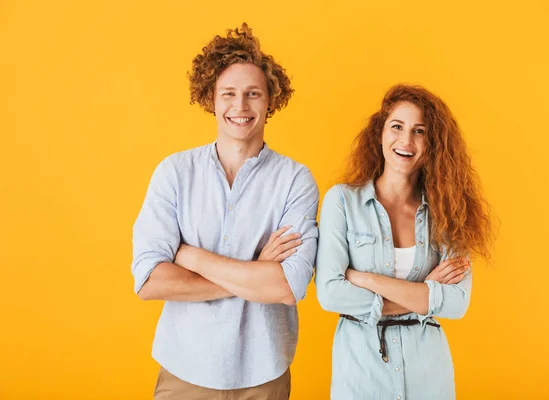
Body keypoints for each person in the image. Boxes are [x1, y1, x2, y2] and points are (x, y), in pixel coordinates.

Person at [131, 23, 318, 399]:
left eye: (253, 94)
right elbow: (149, 280)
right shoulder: (174, 172)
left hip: (263, 374)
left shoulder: (296, 180)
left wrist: (191, 256)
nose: (240, 106)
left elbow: (286, 286)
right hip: (184, 370)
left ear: (270, 101)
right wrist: (253, 273)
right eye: (228, 93)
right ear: (211, 99)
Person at [315, 84, 494, 399]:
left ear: (433, 144)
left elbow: (456, 303)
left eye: (419, 131)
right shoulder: (342, 201)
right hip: (360, 375)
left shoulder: (447, 211)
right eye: (397, 126)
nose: (406, 140)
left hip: (429, 375)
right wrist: (424, 294)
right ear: (380, 133)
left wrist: (364, 279)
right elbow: (330, 295)